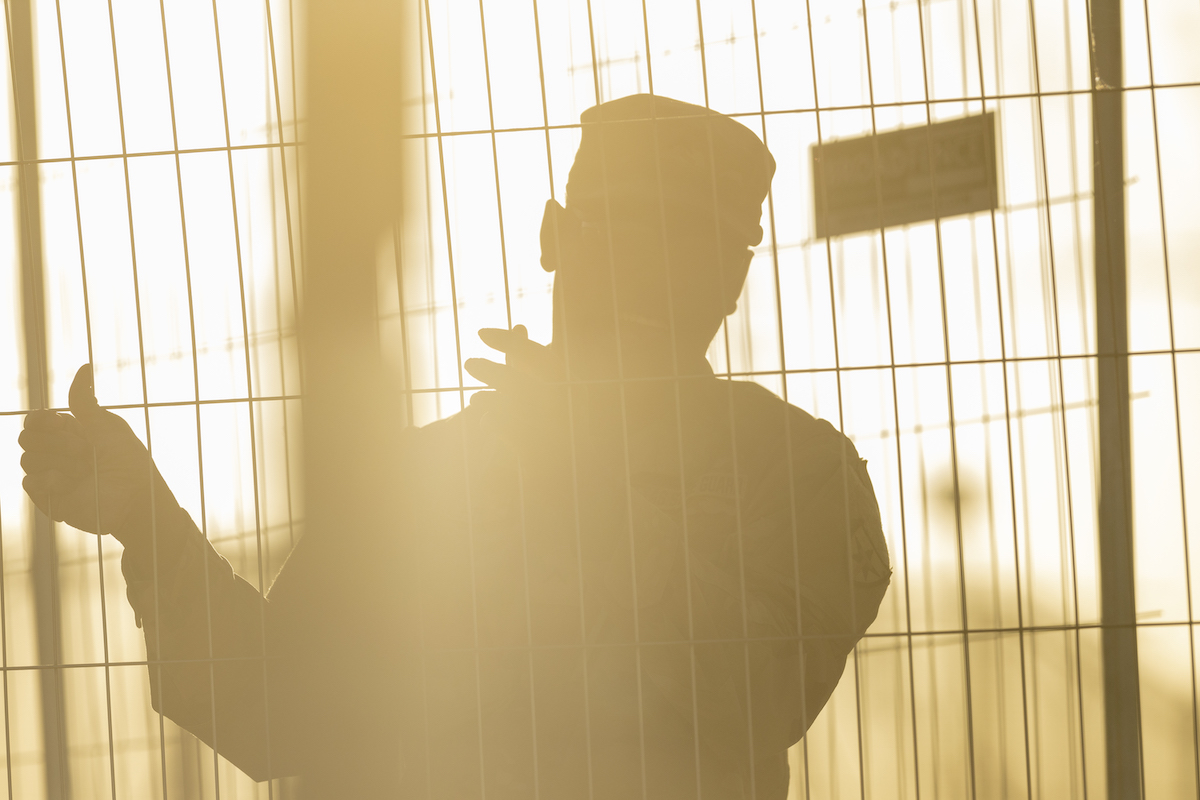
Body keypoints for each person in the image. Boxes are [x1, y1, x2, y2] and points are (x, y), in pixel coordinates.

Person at [18, 94, 890, 799]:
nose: (643, 275)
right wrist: (148, 524)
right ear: (554, 238)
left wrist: (581, 473)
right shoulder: (422, 484)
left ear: (731, 280)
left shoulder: (804, 476)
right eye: (617, 234)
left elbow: (752, 694)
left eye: (682, 248)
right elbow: (278, 707)